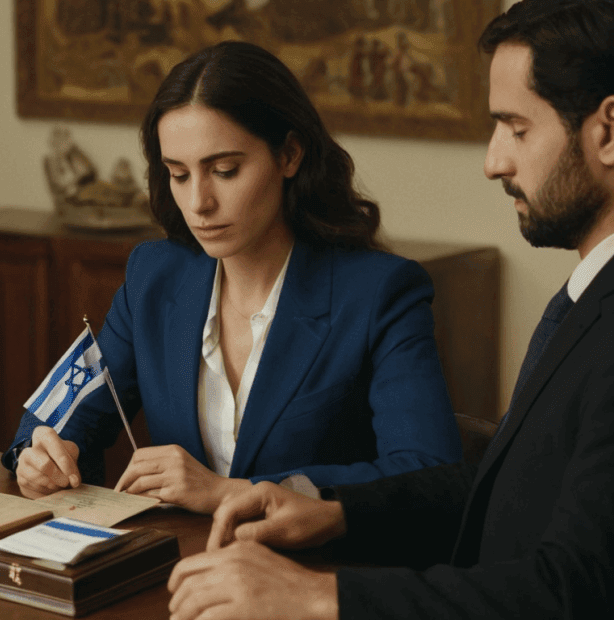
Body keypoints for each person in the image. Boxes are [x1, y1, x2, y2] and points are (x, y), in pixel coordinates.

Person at [167, 1, 614, 617]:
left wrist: (319, 596)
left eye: (516, 128)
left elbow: (575, 590)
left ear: (609, 131)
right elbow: (504, 490)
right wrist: (332, 510)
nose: (494, 162)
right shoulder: (586, 294)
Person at [1, 41, 461, 515]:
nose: (199, 202)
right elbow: (56, 419)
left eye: (224, 170)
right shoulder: (155, 276)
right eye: (178, 175)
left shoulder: (379, 294)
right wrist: (40, 456)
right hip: (182, 570)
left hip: (314, 574)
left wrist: (234, 493)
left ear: (290, 155)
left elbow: (427, 475)